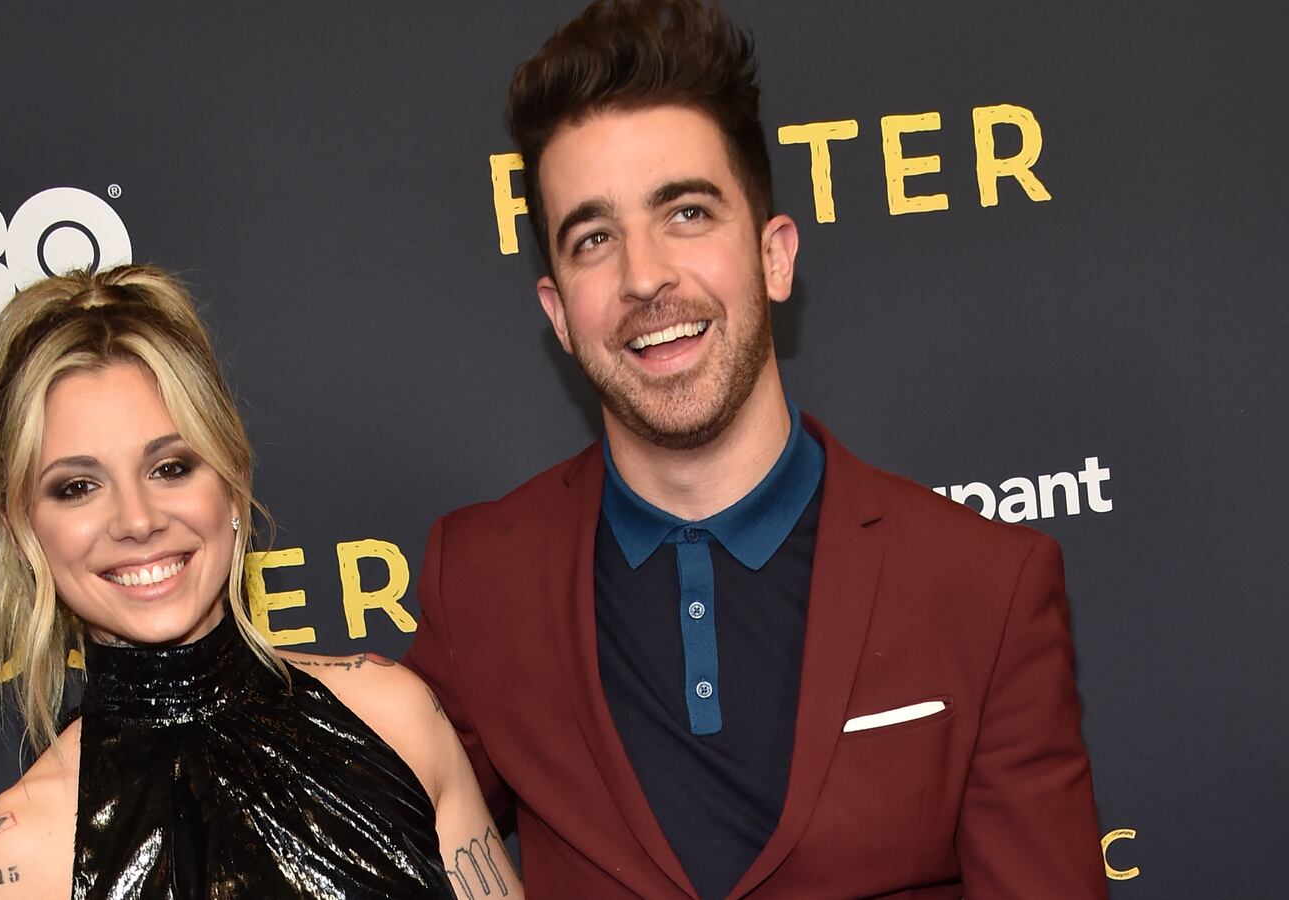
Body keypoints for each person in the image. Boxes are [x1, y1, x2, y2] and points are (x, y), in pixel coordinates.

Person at [403, 2, 1106, 897]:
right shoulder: (481, 584)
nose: (644, 274)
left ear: (775, 257)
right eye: (593, 238)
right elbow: (368, 824)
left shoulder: (984, 588)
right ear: (558, 315)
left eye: (687, 212)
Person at [0, 265, 521, 900]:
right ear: (23, 530)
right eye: (78, 487)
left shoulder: (394, 715)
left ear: (232, 479)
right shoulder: (19, 857)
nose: (138, 520)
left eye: (170, 467)